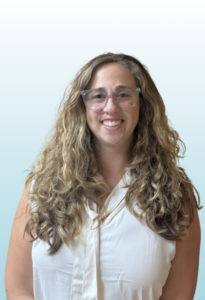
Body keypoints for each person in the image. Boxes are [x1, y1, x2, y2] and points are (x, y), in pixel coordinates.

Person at [5, 53, 202, 300]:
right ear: (83, 106)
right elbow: (19, 288)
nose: (110, 107)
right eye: (98, 96)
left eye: (123, 95)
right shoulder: (40, 189)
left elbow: (178, 296)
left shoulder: (176, 200)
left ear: (142, 103)